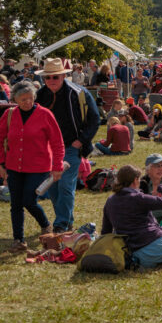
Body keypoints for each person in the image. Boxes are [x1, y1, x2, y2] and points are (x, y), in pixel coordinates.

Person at [34, 58, 100, 233]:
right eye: (48, 78)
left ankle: (60, 224)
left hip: (71, 146)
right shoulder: (40, 95)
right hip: (49, 149)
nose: (51, 81)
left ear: (63, 76)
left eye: (55, 76)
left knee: (65, 184)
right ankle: (66, 220)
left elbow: (95, 120)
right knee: (53, 187)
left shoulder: (78, 93)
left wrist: (81, 141)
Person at [0, 80, 64, 251]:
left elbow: (57, 142)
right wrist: (1, 164)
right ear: (15, 100)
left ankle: (44, 223)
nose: (27, 102)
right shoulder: (9, 115)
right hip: (14, 166)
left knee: (29, 200)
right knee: (15, 204)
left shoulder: (45, 114)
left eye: (30, 98)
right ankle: (19, 240)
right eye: (23, 100)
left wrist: (57, 166)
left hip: (38, 166)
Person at [100, 165, 162, 268]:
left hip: (133, 252)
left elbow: (105, 232)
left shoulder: (110, 201)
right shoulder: (138, 198)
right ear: (135, 180)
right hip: (153, 241)